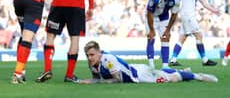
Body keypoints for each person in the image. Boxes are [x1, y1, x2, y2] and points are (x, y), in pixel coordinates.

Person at [78, 40, 218, 84]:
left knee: (170, 79)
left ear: (99, 52)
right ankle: (184, 72)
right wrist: (86, 81)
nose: (90, 58)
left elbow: (118, 79)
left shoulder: (107, 59)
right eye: (87, 55)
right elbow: (96, 78)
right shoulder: (92, 63)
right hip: (135, 69)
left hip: (138, 76)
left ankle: (197, 76)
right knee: (162, 74)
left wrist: (101, 82)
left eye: (92, 54)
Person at [169, 0, 220, 67]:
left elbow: (203, 2)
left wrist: (213, 10)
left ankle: (173, 59)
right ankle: (205, 60)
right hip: (187, 15)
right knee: (199, 35)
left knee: (182, 38)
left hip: (188, 15)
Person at [145, 0, 180, 69]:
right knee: (151, 38)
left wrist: (168, 30)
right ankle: (151, 65)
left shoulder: (176, 0)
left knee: (165, 38)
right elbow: (149, 14)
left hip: (164, 18)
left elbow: (174, 14)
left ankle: (165, 66)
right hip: (151, 17)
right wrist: (152, 30)